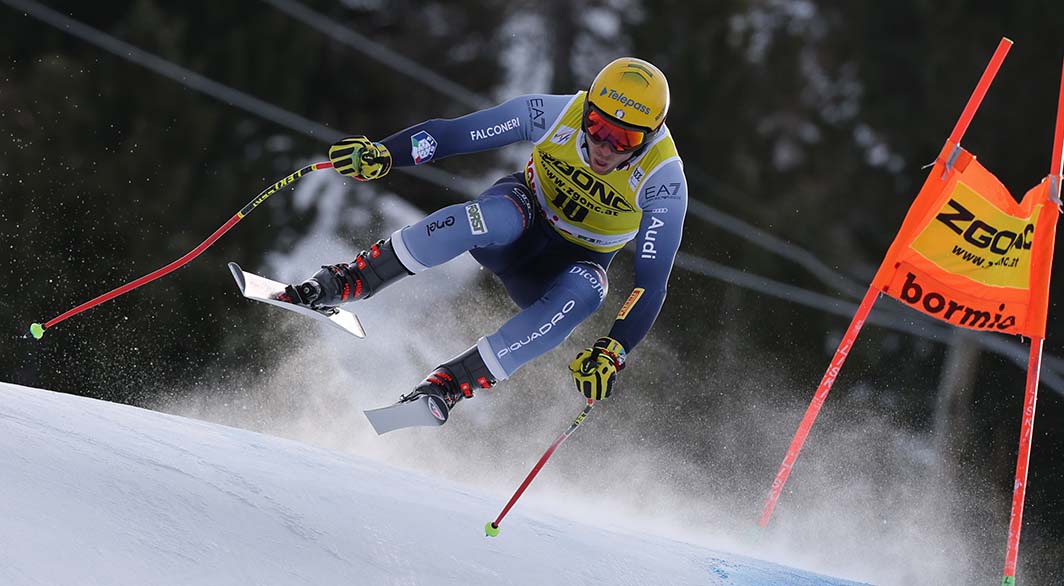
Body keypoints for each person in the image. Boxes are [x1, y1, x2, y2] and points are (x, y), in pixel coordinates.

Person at [287, 57, 687, 419]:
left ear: (651, 137)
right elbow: (455, 135)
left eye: (625, 140)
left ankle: (451, 382)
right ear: (586, 110)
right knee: (494, 218)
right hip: (520, 216)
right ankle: (353, 278)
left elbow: (651, 284)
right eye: (597, 126)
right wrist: (386, 153)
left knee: (589, 291)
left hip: (563, 269)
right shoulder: (556, 114)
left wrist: (614, 350)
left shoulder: (664, 180)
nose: (604, 147)